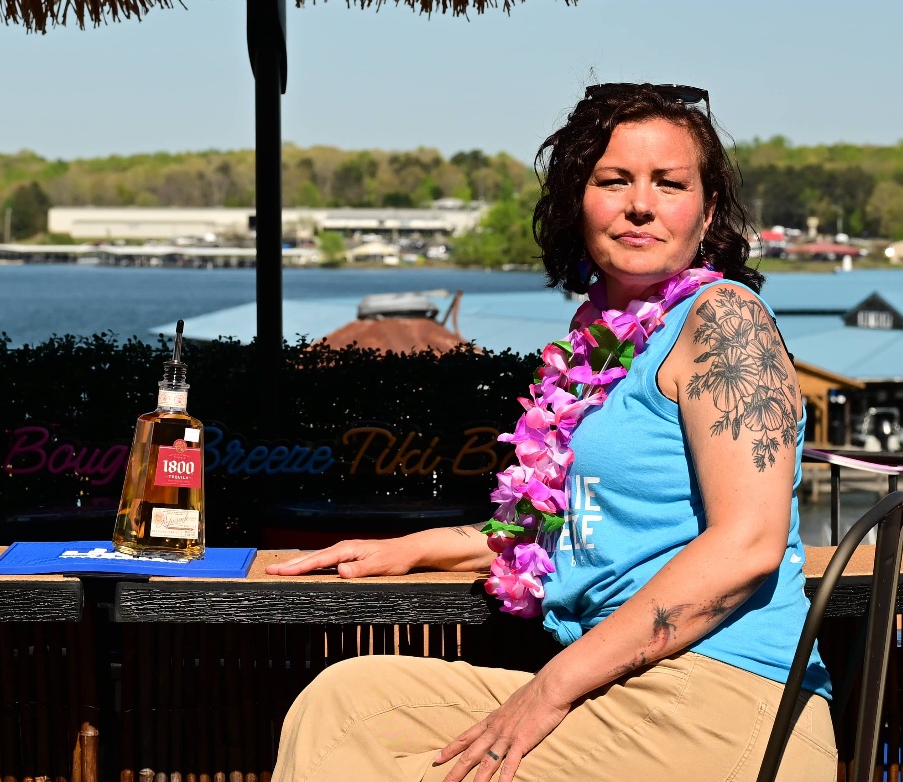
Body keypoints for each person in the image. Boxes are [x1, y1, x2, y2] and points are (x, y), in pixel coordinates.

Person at [267, 83, 833, 782]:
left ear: (708, 209)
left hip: (725, 698)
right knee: (341, 706)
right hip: (619, 686)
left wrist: (547, 690)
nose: (641, 204)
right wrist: (408, 549)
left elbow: (747, 544)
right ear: (577, 200)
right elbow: (559, 529)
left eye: (669, 183)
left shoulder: (725, 321)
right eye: (614, 180)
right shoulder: (603, 347)